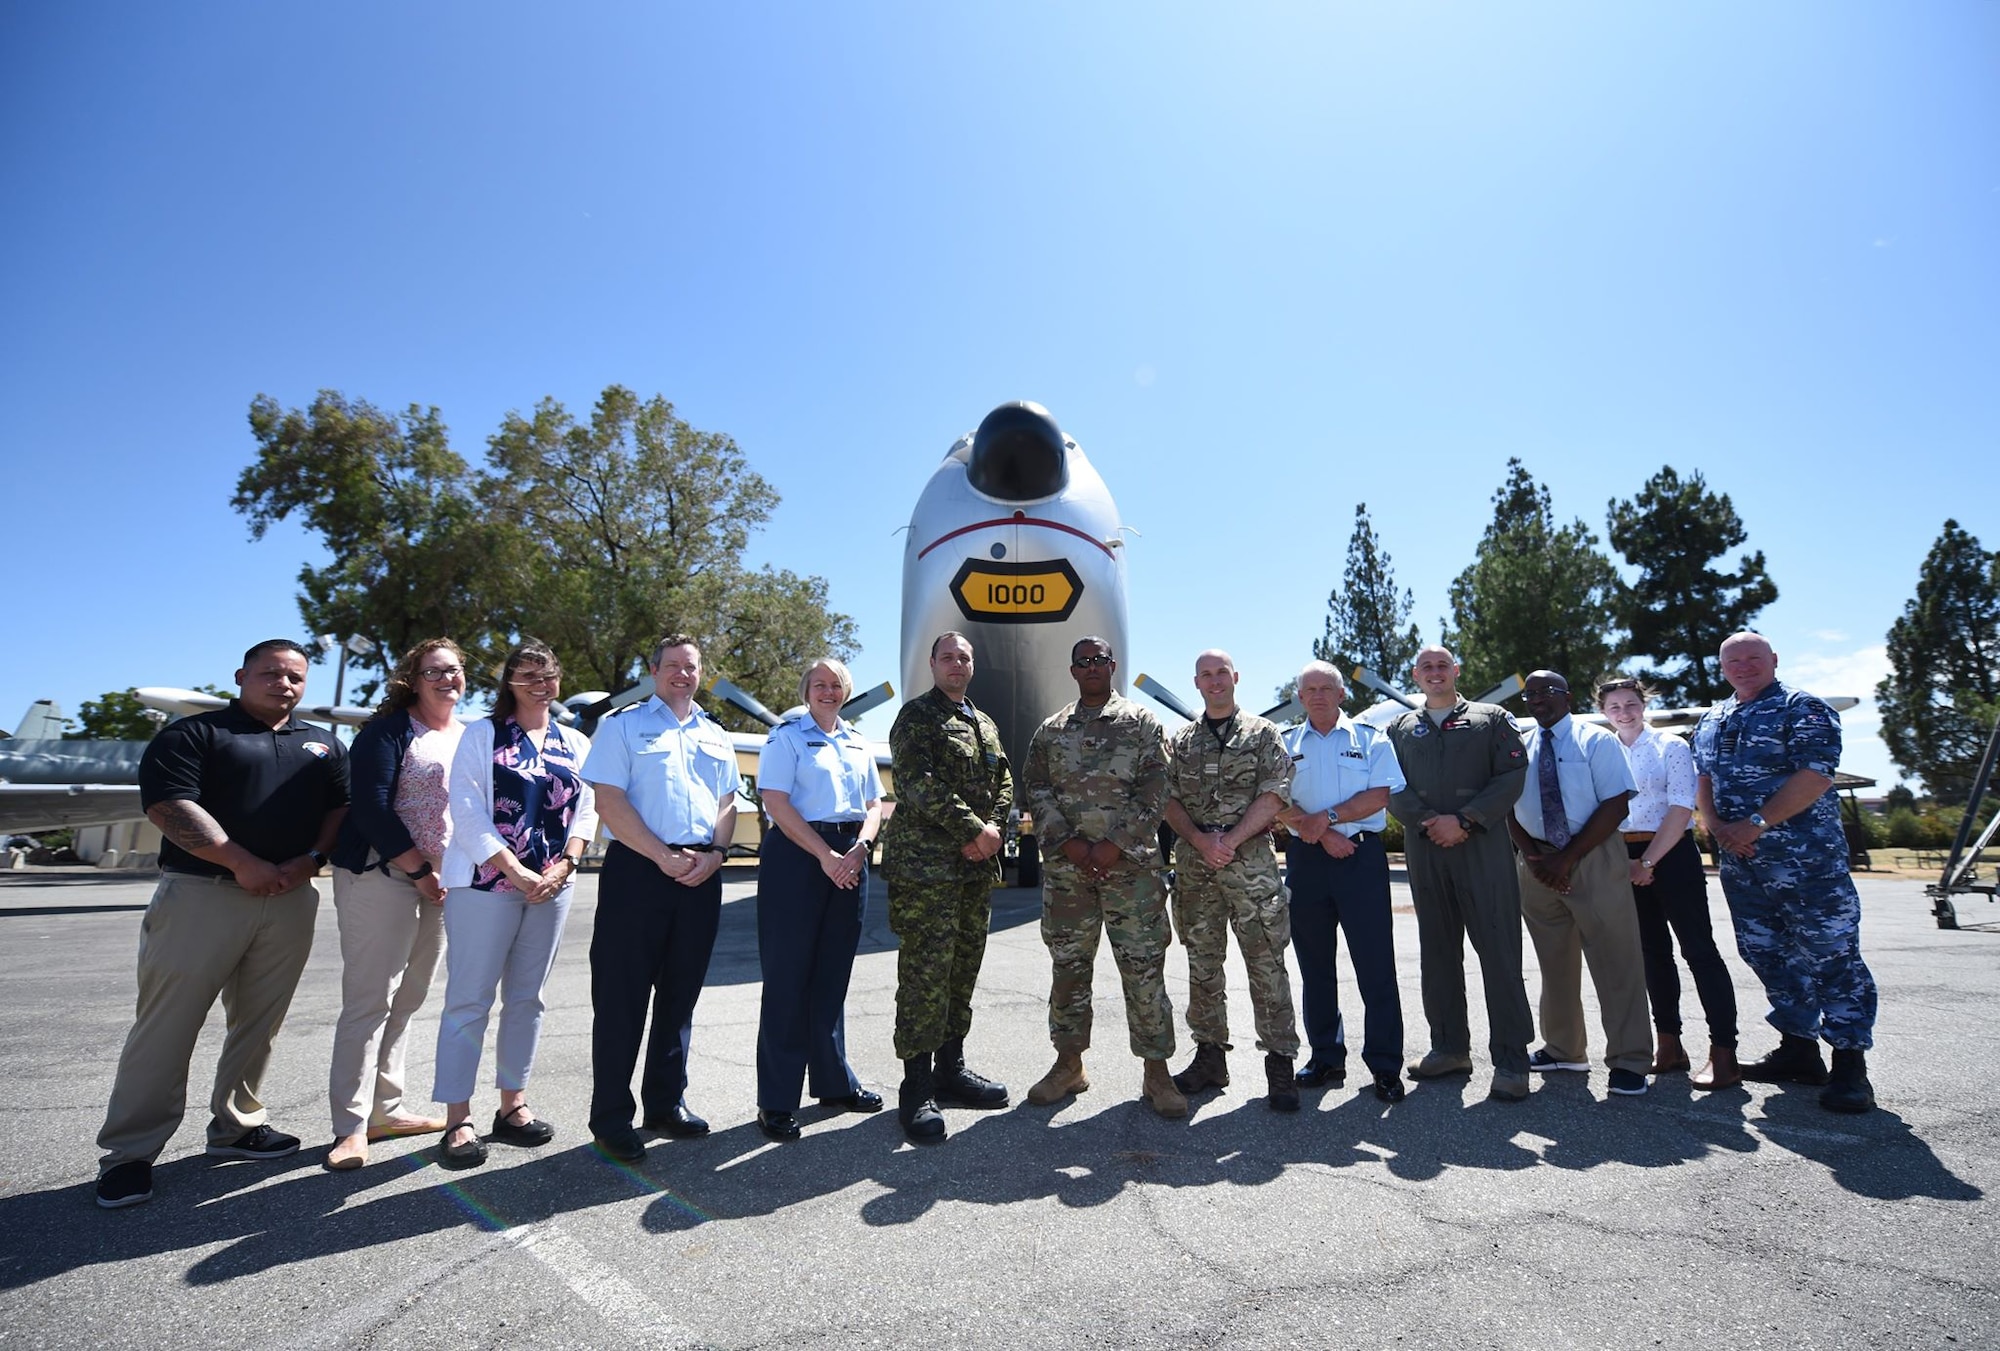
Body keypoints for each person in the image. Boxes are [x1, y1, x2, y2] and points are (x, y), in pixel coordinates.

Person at [95, 639, 350, 1209]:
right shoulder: (195, 734)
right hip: (201, 895)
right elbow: (167, 804)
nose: (283, 683)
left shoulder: (325, 744)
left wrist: (310, 861)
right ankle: (128, 1155)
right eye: (270, 673)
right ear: (241, 675)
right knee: (166, 1025)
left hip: (290, 896)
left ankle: (237, 1127)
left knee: (259, 1022)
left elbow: (341, 806)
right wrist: (241, 861)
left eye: (294, 676)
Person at [1693, 632, 1877, 1113]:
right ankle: (1799, 1049)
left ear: (1773, 660)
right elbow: (1703, 778)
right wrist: (1715, 826)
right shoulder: (1712, 720)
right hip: (1744, 866)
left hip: (1807, 864)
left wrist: (1753, 824)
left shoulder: (1804, 709)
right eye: (1734, 660)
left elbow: (1816, 775)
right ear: (1722, 667)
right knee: (1766, 953)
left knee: (1831, 956)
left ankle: (1850, 1064)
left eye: (1754, 658)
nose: (1744, 666)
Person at [434, 640, 597, 1168]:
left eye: (548, 673)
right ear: (508, 682)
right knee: (469, 999)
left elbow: (588, 811)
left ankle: (513, 1105)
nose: (540, 683)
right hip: (486, 883)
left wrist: (566, 866)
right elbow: (465, 806)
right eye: (527, 674)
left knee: (528, 998)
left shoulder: (575, 742)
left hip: (553, 884)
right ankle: (458, 1119)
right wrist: (514, 868)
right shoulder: (481, 736)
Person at [580, 634, 739, 1163]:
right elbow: (610, 801)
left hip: (700, 873)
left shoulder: (715, 735)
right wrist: (659, 856)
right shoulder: (622, 726)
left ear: (699, 673)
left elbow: (725, 802)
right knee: (623, 1000)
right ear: (653, 671)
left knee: (679, 997)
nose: (681, 674)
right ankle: (610, 1118)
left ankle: (666, 1104)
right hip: (638, 872)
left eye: (690, 666)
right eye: (671, 665)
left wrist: (716, 855)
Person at [1022, 637, 1184, 1118]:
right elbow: (1036, 788)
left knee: (1143, 968)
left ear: (1112, 666)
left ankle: (1157, 1073)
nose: (1092, 667)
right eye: (1083, 661)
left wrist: (1115, 842)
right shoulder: (1051, 731)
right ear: (1073, 671)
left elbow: (1157, 786)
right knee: (1069, 968)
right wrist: (1070, 843)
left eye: (1100, 660)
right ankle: (1068, 1065)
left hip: (1131, 871)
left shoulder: (1142, 724)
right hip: (1069, 873)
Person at [323, 639, 464, 1170]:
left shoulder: (469, 735)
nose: (446, 679)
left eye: (453, 670)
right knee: (369, 1000)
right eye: (434, 672)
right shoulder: (387, 730)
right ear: (413, 678)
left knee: (409, 998)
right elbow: (371, 808)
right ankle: (351, 1127)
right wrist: (420, 870)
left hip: (444, 882)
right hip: (383, 874)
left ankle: (387, 1109)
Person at [1385, 645, 1535, 1102]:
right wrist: (1429, 821)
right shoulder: (1400, 729)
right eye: (1426, 666)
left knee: (1500, 953)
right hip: (1426, 849)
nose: (1435, 672)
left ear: (1456, 671)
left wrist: (1465, 819)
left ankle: (1511, 1060)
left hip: (1482, 848)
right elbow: (1389, 783)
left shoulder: (1492, 719)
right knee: (1438, 953)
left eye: (1442, 665)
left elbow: (1512, 774)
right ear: (1415, 674)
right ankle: (1449, 1047)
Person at [883, 632, 1013, 1144]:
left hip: (973, 871)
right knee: (924, 976)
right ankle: (916, 1086)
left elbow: (1003, 780)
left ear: (972, 666)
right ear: (932, 663)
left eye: (964, 658)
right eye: (947, 657)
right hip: (927, 871)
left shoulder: (983, 723)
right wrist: (972, 830)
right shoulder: (916, 717)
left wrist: (994, 831)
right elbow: (917, 783)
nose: (956, 665)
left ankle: (950, 1069)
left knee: (962, 970)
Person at [752, 657, 886, 1142]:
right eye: (819, 684)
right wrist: (824, 855)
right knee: (789, 980)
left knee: (832, 978)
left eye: (836, 685)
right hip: (799, 858)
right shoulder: (786, 736)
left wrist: (861, 847)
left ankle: (834, 1084)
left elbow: (874, 804)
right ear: (806, 690)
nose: (828, 692)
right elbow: (776, 802)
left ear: (845, 693)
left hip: (851, 857)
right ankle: (777, 1101)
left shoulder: (856, 742)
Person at [1164, 649, 1303, 1112]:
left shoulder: (1263, 735)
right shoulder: (1181, 741)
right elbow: (1167, 799)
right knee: (1203, 966)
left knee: (1267, 966)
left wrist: (1232, 839)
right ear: (1197, 683)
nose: (1215, 680)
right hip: (1196, 869)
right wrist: (1203, 843)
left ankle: (1280, 1065)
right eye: (1206, 674)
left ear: (1236, 677)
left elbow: (1276, 792)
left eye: (1221, 672)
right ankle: (1209, 1058)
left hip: (1253, 868)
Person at [1505, 671, 1651, 1097]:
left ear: (1566, 697)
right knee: (1554, 962)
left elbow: (1615, 803)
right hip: (1536, 863)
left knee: (1616, 961)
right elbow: (1508, 806)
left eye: (1545, 692)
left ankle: (1629, 1059)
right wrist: (1534, 857)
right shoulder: (1522, 745)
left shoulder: (1596, 740)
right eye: (1529, 694)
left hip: (1592, 857)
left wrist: (1565, 859)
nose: (1536, 700)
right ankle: (1564, 1047)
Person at [1597, 676, 1741, 1090]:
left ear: (1644, 704)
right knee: (1652, 954)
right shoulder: (1603, 750)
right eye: (1614, 707)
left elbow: (1681, 807)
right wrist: (1626, 863)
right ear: (1605, 712)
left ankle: (1724, 1052)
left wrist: (1647, 862)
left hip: (1670, 853)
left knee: (1698, 949)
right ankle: (1669, 1045)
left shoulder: (1671, 746)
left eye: (1630, 703)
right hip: (1622, 858)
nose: (1623, 712)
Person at [1275, 662, 1408, 1104]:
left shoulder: (1371, 740)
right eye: (1308, 688)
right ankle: (1326, 1057)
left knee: (1375, 965)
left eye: (1325, 688)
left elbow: (1379, 795)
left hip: (1361, 858)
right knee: (1314, 965)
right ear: (1300, 696)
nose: (1317, 695)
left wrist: (1329, 820)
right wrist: (1322, 834)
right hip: (1307, 860)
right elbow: (1277, 801)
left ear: (1340, 695)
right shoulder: (1285, 744)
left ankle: (1386, 1065)